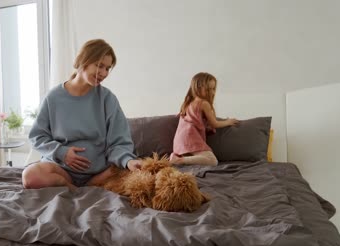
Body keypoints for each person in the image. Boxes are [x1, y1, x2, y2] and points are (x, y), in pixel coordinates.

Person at [22, 39, 142, 190]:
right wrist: (62, 152)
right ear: (84, 61)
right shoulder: (54, 97)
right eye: (99, 66)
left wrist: (128, 161)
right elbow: (37, 137)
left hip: (100, 173)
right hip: (62, 170)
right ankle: (69, 185)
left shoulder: (107, 99)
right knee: (30, 176)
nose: (104, 73)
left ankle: (89, 184)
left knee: (125, 172)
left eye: (107, 68)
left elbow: (119, 142)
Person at [170, 72, 239, 166]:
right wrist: (228, 122)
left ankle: (180, 159)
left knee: (196, 158)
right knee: (212, 161)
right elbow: (215, 124)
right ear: (197, 88)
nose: (212, 92)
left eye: (213, 89)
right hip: (190, 137)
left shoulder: (189, 102)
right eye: (208, 89)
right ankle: (179, 160)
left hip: (181, 138)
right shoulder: (203, 103)